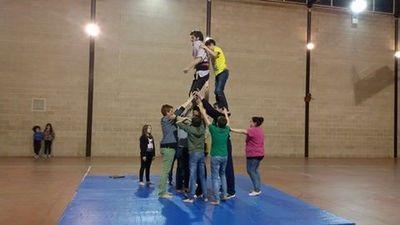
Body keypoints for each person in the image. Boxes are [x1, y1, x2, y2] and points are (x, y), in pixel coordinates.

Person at [194, 92, 236, 199]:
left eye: (216, 107)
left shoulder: (219, 117)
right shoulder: (223, 120)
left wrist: (201, 98)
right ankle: (226, 190)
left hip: (222, 146)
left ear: (221, 109)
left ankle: (230, 190)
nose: (215, 109)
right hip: (223, 146)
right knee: (223, 171)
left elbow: (209, 110)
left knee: (226, 169)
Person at [158, 96, 193, 199]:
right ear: (167, 113)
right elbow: (179, 111)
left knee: (167, 170)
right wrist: (189, 101)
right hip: (168, 148)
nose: (173, 113)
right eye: (171, 112)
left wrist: (189, 101)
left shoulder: (171, 121)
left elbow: (179, 111)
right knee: (165, 171)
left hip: (171, 148)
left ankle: (163, 191)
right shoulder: (165, 119)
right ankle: (161, 192)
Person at [199, 102, 230, 205]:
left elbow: (207, 120)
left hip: (216, 156)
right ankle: (225, 194)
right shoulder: (227, 129)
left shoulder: (213, 129)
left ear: (217, 123)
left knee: (214, 177)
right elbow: (228, 122)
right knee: (222, 175)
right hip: (225, 156)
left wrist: (202, 111)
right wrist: (225, 113)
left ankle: (217, 199)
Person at [176, 115, 208, 203]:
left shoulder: (190, 129)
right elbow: (201, 122)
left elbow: (178, 123)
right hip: (201, 154)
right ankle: (205, 196)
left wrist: (185, 119)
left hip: (193, 154)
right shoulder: (202, 128)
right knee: (202, 176)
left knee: (193, 176)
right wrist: (193, 120)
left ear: (193, 123)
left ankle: (191, 197)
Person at [231, 117, 265, 196]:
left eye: (251, 122)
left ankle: (257, 189)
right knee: (255, 170)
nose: (250, 123)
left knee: (251, 170)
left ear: (255, 123)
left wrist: (231, 129)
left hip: (254, 154)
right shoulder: (260, 130)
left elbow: (242, 131)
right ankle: (258, 187)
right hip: (260, 154)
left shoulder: (253, 130)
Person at [202, 38, 230, 110]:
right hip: (218, 74)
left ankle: (225, 108)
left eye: (208, 47)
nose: (208, 49)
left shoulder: (217, 49)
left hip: (223, 72)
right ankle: (220, 106)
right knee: (216, 91)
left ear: (211, 45)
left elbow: (214, 55)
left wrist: (205, 47)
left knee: (219, 90)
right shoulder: (212, 52)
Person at [183, 30, 210, 95]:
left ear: (197, 38)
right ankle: (196, 104)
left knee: (194, 94)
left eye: (192, 37)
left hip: (203, 73)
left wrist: (188, 68)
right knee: (192, 94)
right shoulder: (198, 45)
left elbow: (199, 59)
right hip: (200, 73)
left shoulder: (197, 43)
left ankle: (201, 104)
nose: (191, 40)